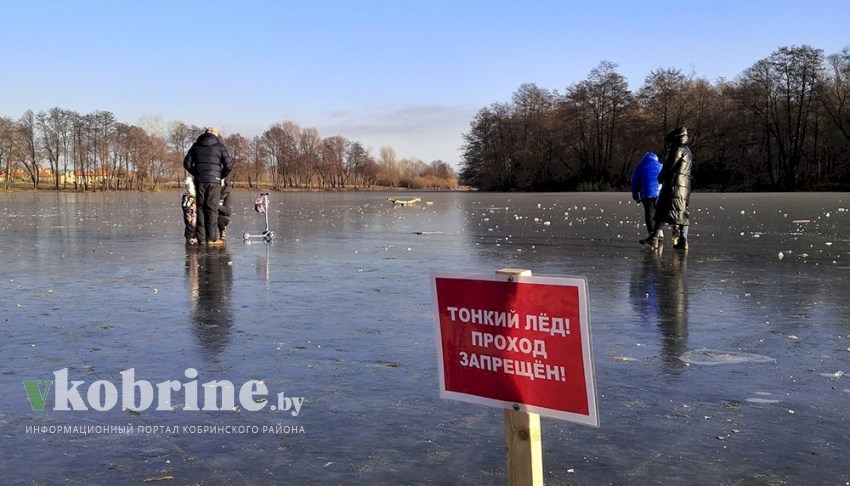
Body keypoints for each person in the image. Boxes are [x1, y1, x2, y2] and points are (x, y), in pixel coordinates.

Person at [183, 127, 233, 246]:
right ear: (216, 135)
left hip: (200, 181)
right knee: (212, 208)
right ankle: (211, 238)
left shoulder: (196, 146)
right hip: (214, 182)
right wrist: (220, 176)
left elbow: (187, 163)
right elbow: (228, 165)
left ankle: (201, 239)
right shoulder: (219, 146)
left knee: (200, 208)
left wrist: (197, 173)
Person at [650, 127, 693, 250]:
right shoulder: (688, 150)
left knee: (662, 210)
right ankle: (683, 240)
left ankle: (654, 239)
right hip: (685, 185)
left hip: (674, 184)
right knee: (682, 212)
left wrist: (661, 177)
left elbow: (669, 165)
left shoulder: (677, 149)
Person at [631, 152, 663, 245]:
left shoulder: (640, 166)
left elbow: (634, 182)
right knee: (659, 213)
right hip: (660, 194)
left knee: (649, 213)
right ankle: (659, 233)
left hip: (647, 193)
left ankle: (652, 233)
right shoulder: (661, 166)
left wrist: (636, 196)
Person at [182, 176, 197, 244]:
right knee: (190, 223)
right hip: (190, 226)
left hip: (195, 226)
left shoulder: (195, 197)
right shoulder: (187, 197)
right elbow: (185, 207)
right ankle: (190, 238)